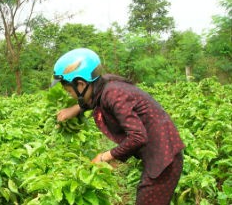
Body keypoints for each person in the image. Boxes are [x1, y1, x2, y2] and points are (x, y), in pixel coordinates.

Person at [51, 48, 185, 205]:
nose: (70, 96)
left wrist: (104, 157)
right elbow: (96, 97)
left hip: (165, 157)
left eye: (69, 91)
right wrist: (76, 108)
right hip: (161, 152)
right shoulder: (106, 85)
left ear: (80, 84)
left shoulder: (113, 94)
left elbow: (138, 137)